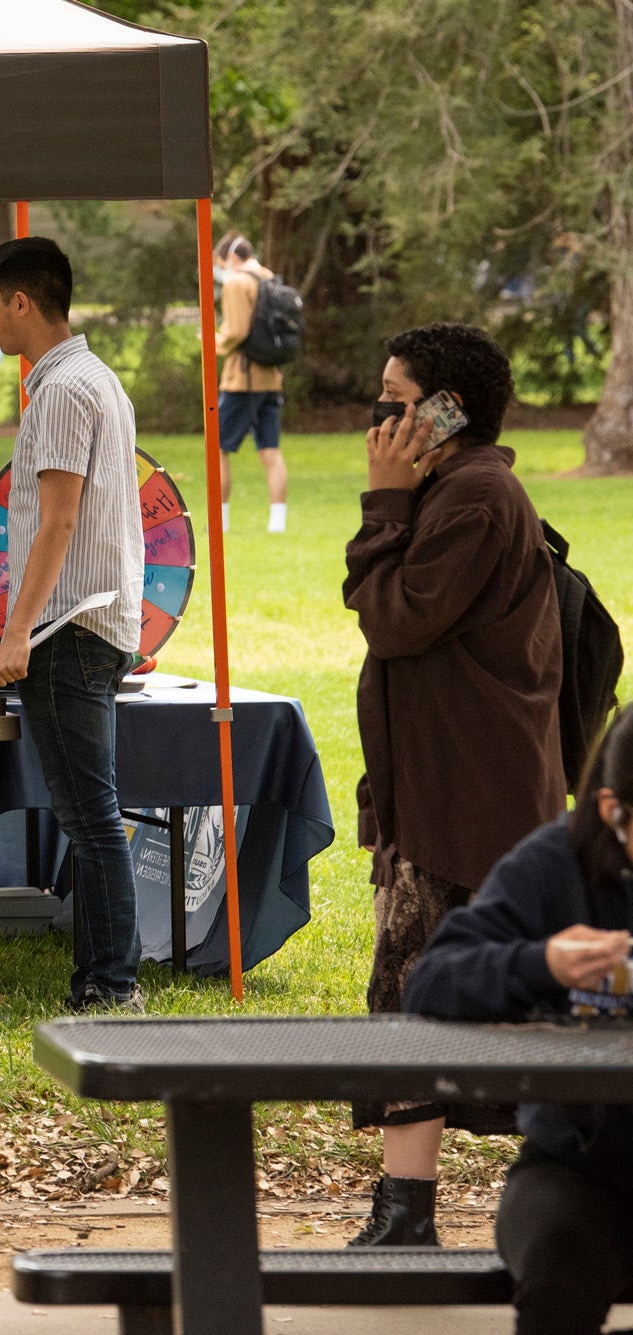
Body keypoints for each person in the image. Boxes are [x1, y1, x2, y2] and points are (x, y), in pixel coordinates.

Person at [342, 321, 565, 1247]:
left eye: (396, 400)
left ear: (446, 411)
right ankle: (411, 1209)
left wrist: (383, 506)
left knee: (419, 998)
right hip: (446, 790)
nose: (379, 416)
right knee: (421, 995)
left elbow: (393, 620)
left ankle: (415, 1216)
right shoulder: (460, 490)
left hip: (465, 802)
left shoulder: (472, 496)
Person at [404, 708, 633, 1334]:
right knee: (561, 1270)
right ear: (615, 811)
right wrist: (543, 963)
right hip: (580, 1170)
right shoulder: (557, 863)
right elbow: (433, 980)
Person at [0, 236, 146, 1013]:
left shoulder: (64, 390)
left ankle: (112, 986)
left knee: (92, 820)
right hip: (93, 624)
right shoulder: (97, 378)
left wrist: (17, 631)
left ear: (21, 302)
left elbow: (59, 521)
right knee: (93, 816)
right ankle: (102, 979)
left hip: (68, 631)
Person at [213, 235, 290, 533]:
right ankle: (277, 523)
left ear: (230, 259)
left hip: (241, 380)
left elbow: (235, 331)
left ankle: (221, 522)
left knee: (218, 448)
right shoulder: (270, 279)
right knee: (271, 450)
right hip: (271, 378)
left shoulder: (236, 283)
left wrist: (212, 342)